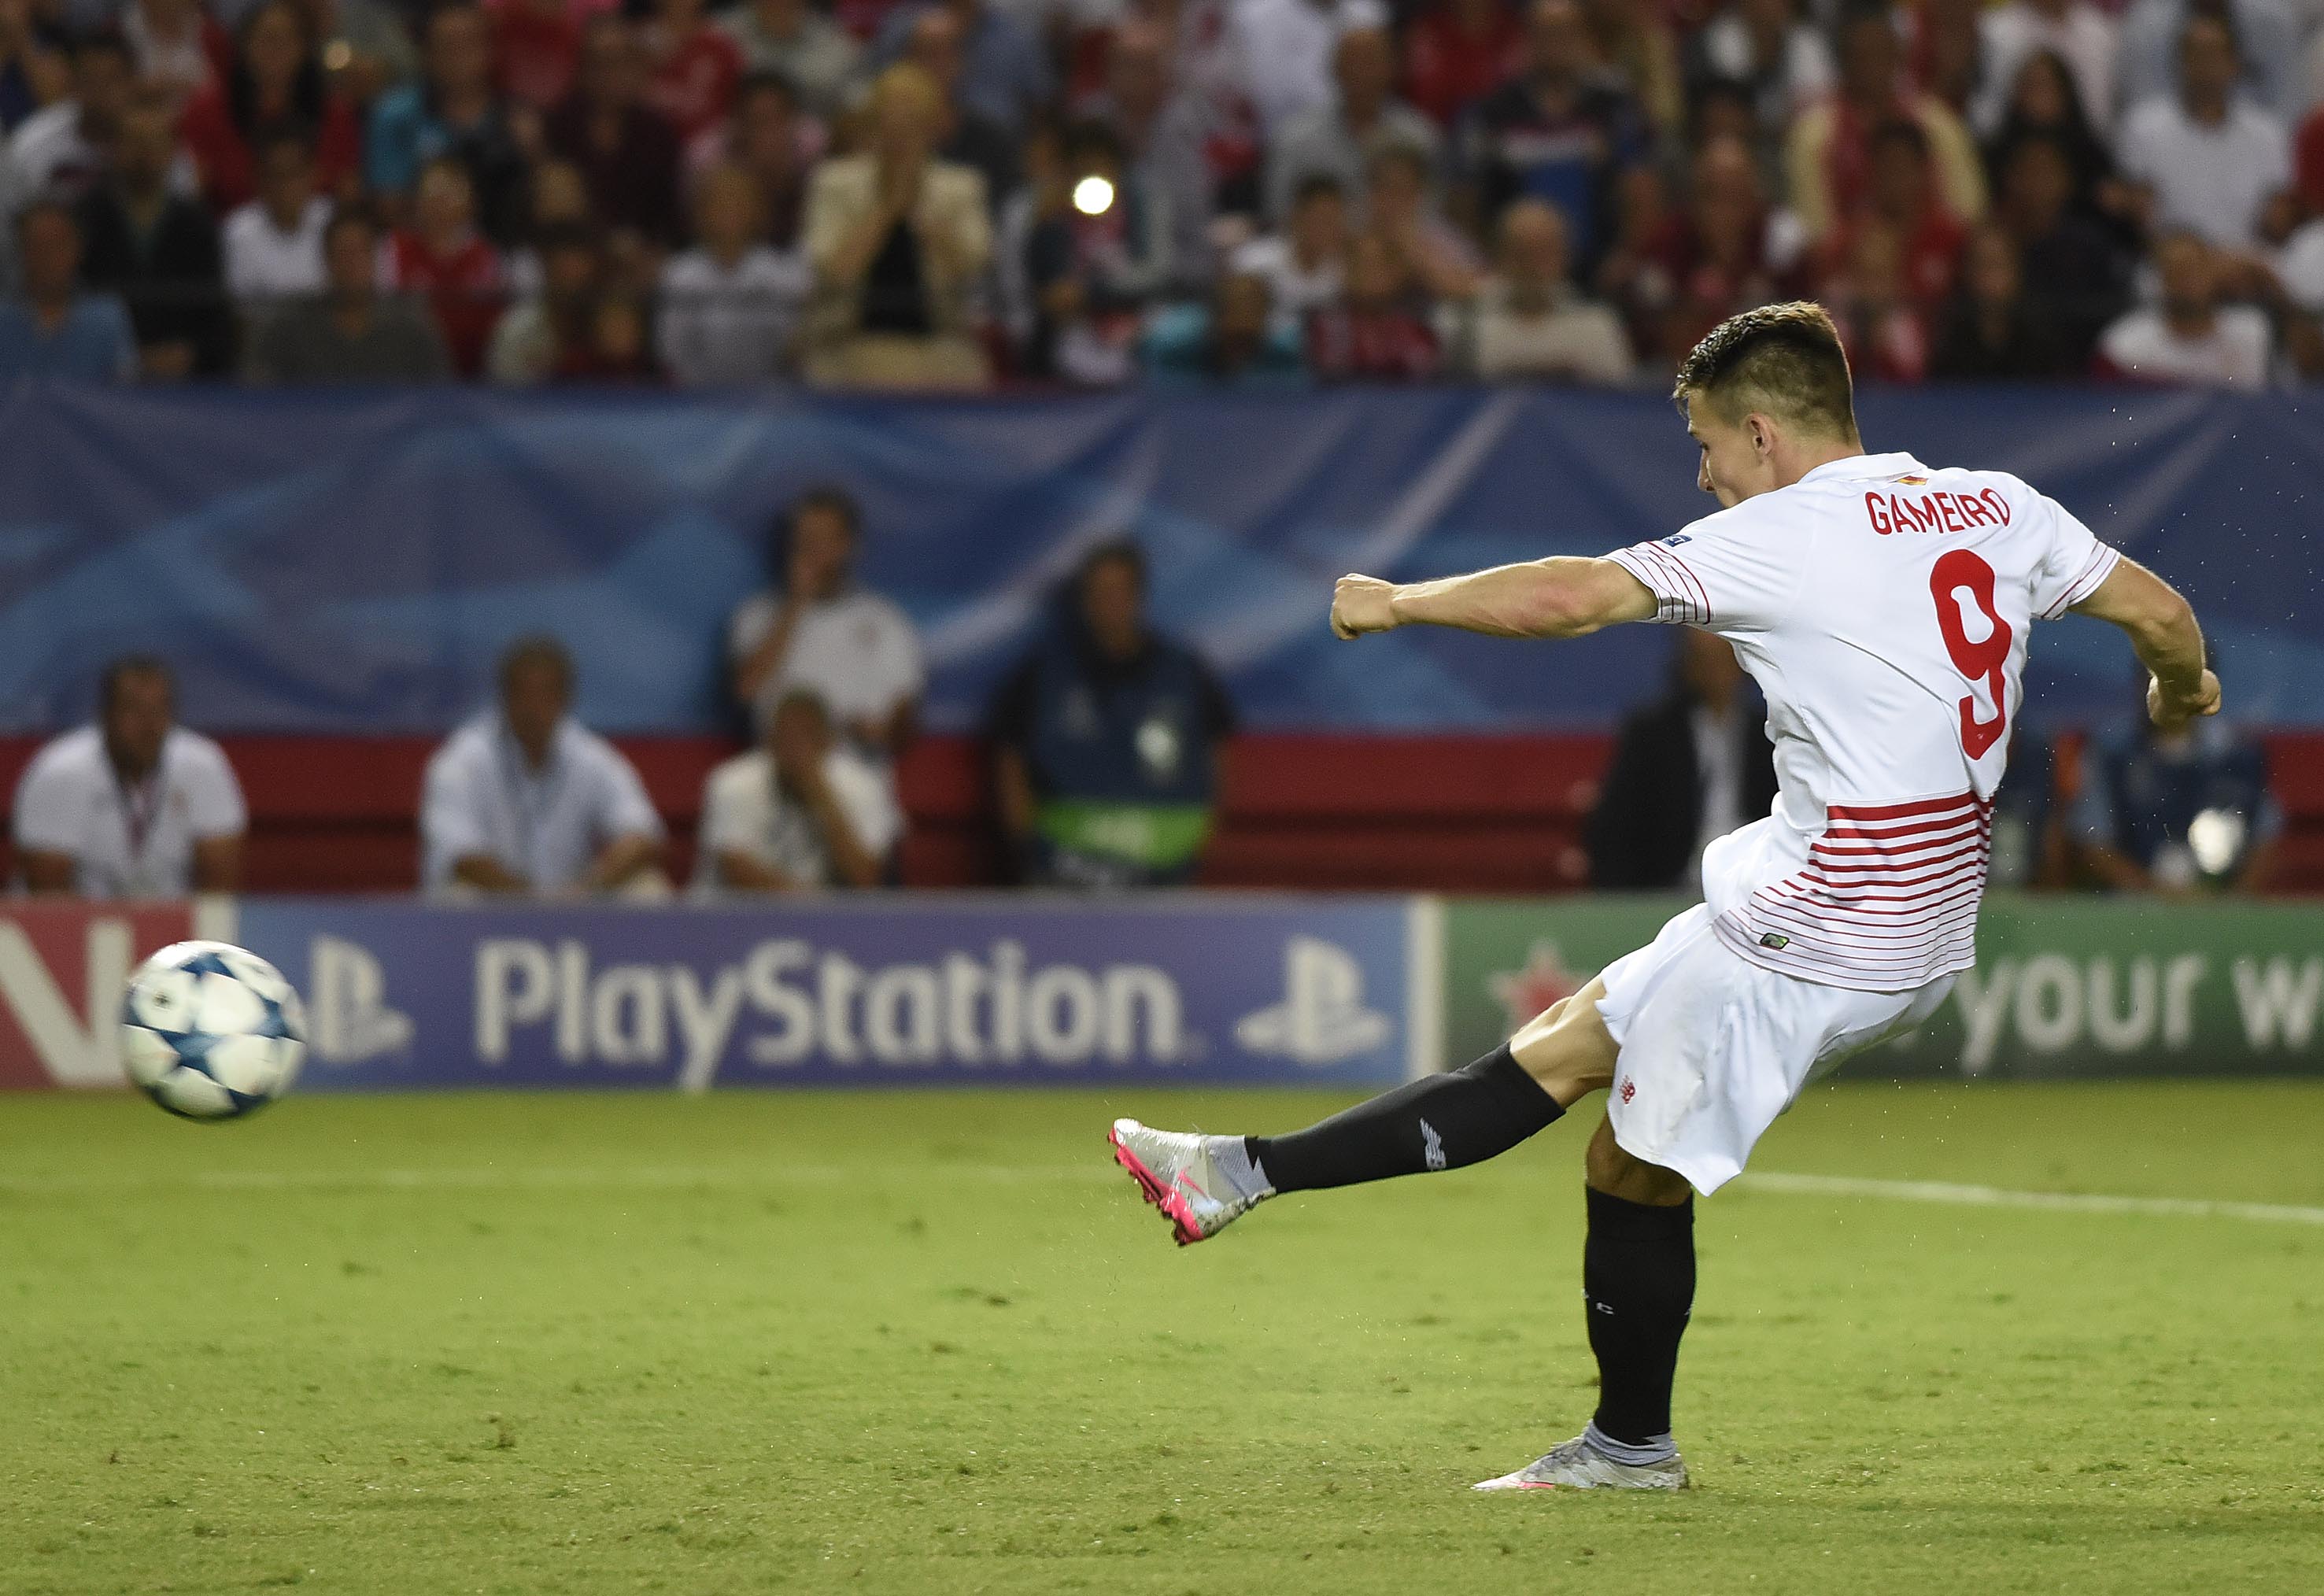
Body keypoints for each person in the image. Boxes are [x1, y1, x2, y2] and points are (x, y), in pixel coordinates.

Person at [1107, 299, 2221, 1494]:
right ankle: (1231, 1175)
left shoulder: (1786, 532)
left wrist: (1398, 602)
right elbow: (2159, 615)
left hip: (1821, 934)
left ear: (1760, 434)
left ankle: (1629, 1447)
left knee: (1623, 1170)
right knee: (1562, 1045)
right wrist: (2181, 693)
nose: (1702, 476)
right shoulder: (1998, 505)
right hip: (1899, 920)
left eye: (1701, 446)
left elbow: (1573, 597)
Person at [988, 539, 1236, 888]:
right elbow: (1009, 759)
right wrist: (1025, 846)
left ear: (1139, 596)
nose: (1110, 603)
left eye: (1120, 591)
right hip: (1062, 869)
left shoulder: (1183, 673)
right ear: (1084, 600)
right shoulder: (1044, 675)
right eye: (1099, 592)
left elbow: (1217, 754)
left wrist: (1199, 842)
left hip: (1165, 866)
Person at [419, 635, 666, 896]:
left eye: (546, 694)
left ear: (566, 698)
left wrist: (591, 886)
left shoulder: (591, 755)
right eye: (524, 694)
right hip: (494, 904)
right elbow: (461, 856)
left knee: (647, 888)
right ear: (504, 697)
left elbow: (642, 834)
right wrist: (533, 902)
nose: (534, 708)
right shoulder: (460, 761)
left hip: (576, 902)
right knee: (458, 893)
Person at [800, 62, 990, 390]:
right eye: (891, 117)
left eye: (912, 120)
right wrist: (887, 209)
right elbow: (832, 269)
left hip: (941, 338)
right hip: (848, 337)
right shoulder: (834, 183)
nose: (900, 130)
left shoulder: (960, 188)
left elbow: (972, 266)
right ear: (874, 123)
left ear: (931, 127)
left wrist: (924, 217)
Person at [727, 487, 924, 788]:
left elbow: (905, 725)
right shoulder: (755, 617)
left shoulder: (886, 623)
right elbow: (746, 689)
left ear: (848, 546)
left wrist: (880, 732)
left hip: (860, 790)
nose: (811, 550)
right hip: (780, 788)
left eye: (823, 540)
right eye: (803, 539)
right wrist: (795, 605)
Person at [12, 656, 245, 897]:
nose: (149, 725)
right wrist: (117, 930)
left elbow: (218, 889)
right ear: (105, 715)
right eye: (134, 710)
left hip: (172, 922)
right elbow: (48, 892)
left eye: (159, 710)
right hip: (77, 924)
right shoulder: (59, 772)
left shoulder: (204, 766)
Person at [1584, 626, 1778, 893]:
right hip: (1670, 889)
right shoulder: (1653, 734)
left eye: (1723, 659)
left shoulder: (1768, 735)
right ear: (1687, 664)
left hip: (1752, 888)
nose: (1716, 672)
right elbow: (1615, 828)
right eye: (1704, 660)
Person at [74, 86, 231, 379]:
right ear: (115, 147)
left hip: (181, 386)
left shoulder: (197, 225)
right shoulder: (86, 218)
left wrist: (190, 353)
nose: (143, 154)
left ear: (172, 150)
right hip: (98, 380)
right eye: (134, 141)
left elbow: (216, 318)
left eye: (154, 141)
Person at [2072, 678, 2279, 893]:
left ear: (2207, 688)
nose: (2166, 692)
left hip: (2220, 908)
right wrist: (2155, 891)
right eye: (2154, 678)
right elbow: (2092, 843)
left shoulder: (2239, 755)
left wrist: (2229, 903)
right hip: (2134, 908)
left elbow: (2265, 837)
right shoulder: (2112, 753)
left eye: (2178, 678)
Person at [2116, 13, 2292, 258]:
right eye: (2194, 55)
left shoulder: (2267, 135)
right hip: (2169, 272)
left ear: (2235, 64)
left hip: (2244, 271)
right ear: (2179, 63)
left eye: (2213, 54)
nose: (2204, 65)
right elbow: (2136, 222)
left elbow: (2278, 221)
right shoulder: (2143, 129)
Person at [694, 689, 902, 892]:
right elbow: (736, 871)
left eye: (806, 736)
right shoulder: (733, 781)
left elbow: (866, 878)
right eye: (785, 736)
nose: (794, 747)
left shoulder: (863, 785)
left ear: (827, 742)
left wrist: (820, 793)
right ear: (770, 740)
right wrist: (807, 901)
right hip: (736, 917)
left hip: (830, 920)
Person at [177, 1, 360, 213]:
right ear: (244, 46)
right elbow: (190, 194)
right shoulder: (206, 112)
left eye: (286, 40)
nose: (276, 50)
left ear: (304, 48)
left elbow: (349, 196)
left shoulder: (335, 114)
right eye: (267, 39)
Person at [242, 203, 452, 382]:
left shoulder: (410, 323)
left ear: (375, 258)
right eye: (342, 253)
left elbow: (440, 393)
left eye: (361, 252)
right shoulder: (290, 325)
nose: (352, 264)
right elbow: (257, 391)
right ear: (327, 261)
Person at [1265, 25, 1438, 226]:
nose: (1362, 73)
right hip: (1320, 251)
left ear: (1392, 69)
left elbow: (1430, 216)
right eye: (1353, 63)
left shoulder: (1419, 137)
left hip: (1397, 251)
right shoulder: (1296, 140)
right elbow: (1279, 213)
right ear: (1334, 69)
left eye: (1371, 62)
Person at [656, 160, 807, 384]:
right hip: (694, 397)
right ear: (702, 211)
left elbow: (792, 346)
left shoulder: (782, 274)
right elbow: (672, 349)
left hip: (769, 397)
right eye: (719, 203)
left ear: (757, 210)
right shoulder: (680, 274)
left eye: (739, 202)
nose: (730, 212)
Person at [1453, 196, 1633, 381]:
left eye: (1544, 252)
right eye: (1520, 253)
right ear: (1499, 256)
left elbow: (1618, 404)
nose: (1532, 265)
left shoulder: (1597, 325)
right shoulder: (1467, 327)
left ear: (1566, 256)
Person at [2096, 230, 2270, 387]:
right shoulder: (2126, 345)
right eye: (2176, 271)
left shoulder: (2253, 332)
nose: (2187, 281)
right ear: (2161, 281)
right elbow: (2111, 414)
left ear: (2214, 273)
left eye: (2196, 269)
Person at [0, 200, 137, 380]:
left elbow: (126, 390)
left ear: (77, 249)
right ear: (21, 251)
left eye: (56, 245)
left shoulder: (106, 318)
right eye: (36, 246)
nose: (46, 257)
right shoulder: (4, 318)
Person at [223, 128, 329, 304]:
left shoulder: (332, 221)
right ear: (258, 178)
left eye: (293, 173)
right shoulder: (238, 232)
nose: (284, 185)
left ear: (313, 173)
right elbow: (241, 312)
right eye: (275, 175)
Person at [718, 0, 860, 121]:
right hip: (730, 149)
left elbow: (855, 113)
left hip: (821, 150)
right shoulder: (719, 38)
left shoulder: (840, 49)